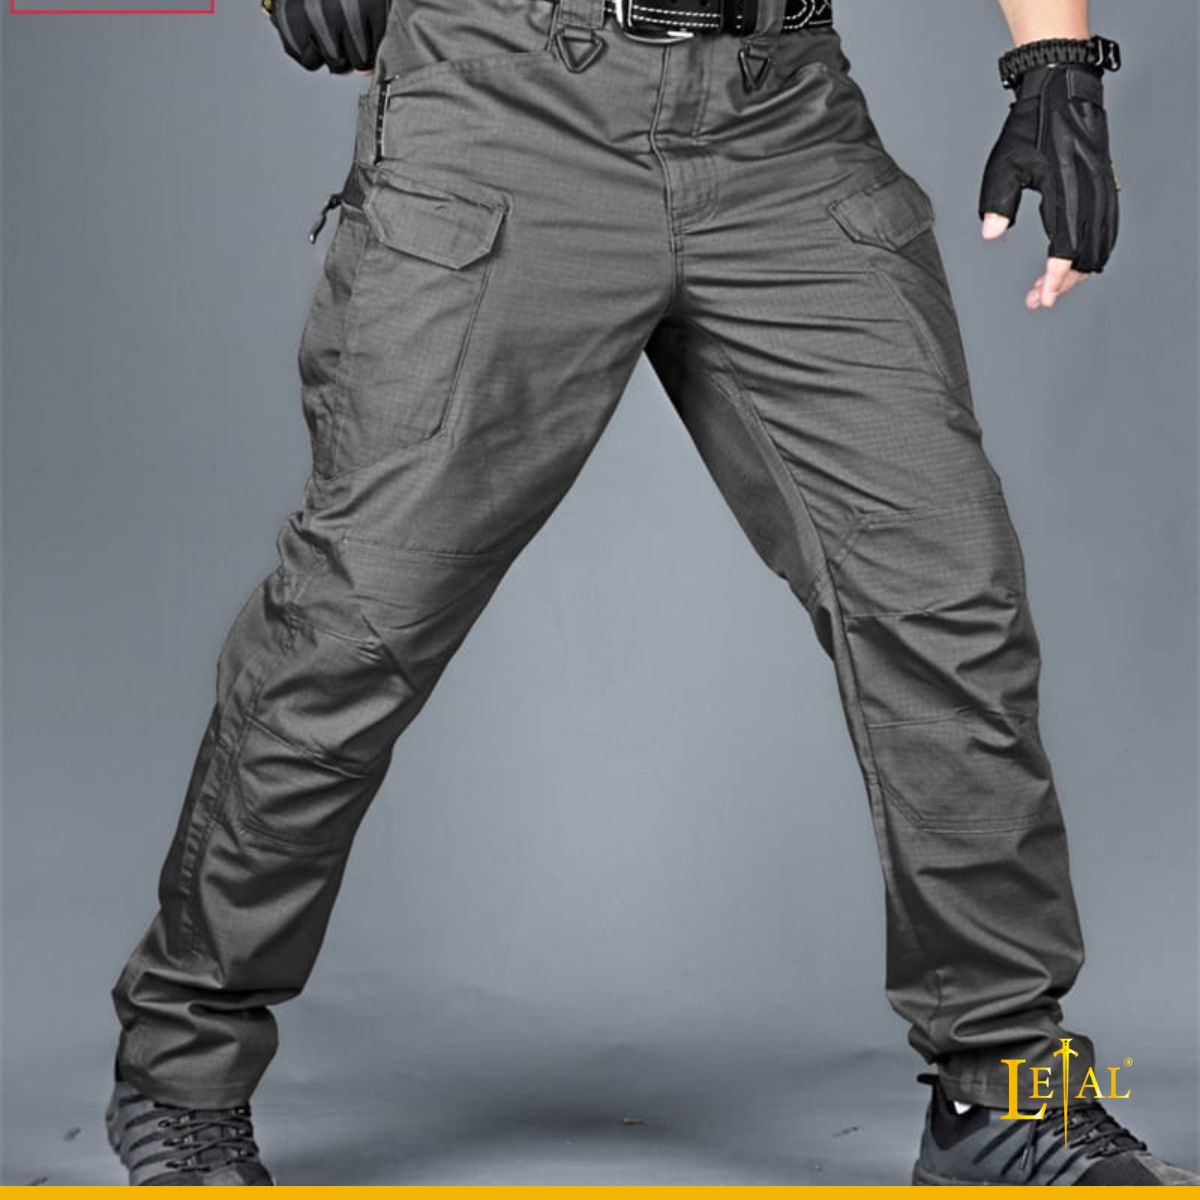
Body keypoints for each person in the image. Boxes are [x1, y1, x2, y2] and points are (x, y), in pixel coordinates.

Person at [103, 0, 1196, 1185]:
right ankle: (182, 1070)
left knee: (950, 596)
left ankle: (1006, 1092)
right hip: (507, 99)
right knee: (358, 621)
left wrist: (1056, 60)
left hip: (781, 113)